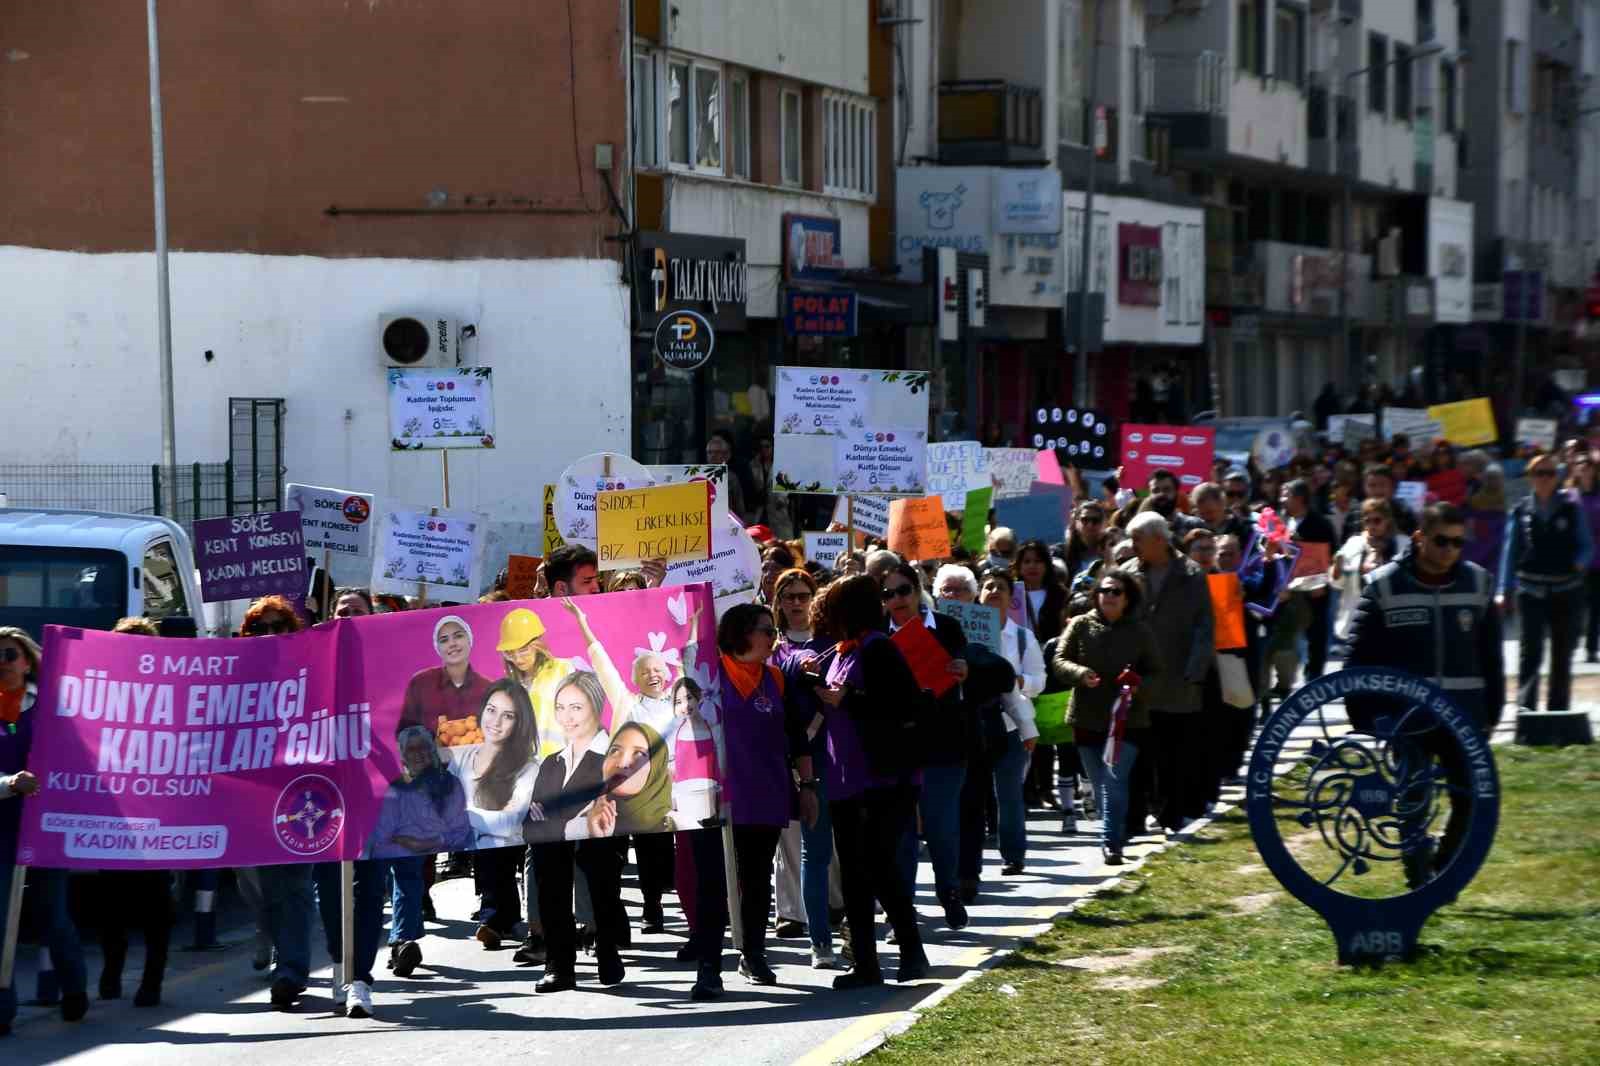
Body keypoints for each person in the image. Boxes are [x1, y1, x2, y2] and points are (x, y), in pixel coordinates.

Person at [1346, 502, 1503, 885]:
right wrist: (1368, 718)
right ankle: (1417, 880)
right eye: (1441, 541)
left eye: (1457, 543)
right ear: (1419, 538)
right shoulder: (1383, 585)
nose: (1450, 550)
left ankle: (1444, 863)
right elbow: (1357, 660)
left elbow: (1492, 659)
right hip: (1407, 716)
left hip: (1463, 716)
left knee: (1471, 800)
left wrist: (1491, 714)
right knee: (1413, 799)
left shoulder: (1478, 584)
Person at [685, 604, 814, 1000]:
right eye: (764, 629)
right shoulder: (707, 674)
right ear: (740, 633)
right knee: (712, 884)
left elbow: (798, 738)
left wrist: (808, 786)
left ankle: (754, 953)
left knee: (756, 882)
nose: (772, 636)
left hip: (765, 796)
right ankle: (708, 966)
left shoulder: (776, 678)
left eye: (773, 629)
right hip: (712, 800)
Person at [812, 576, 930, 989]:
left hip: (883, 779)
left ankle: (912, 952)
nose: (822, 613)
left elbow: (904, 705)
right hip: (846, 777)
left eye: (830, 606)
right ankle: (866, 963)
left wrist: (851, 699)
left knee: (880, 867)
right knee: (854, 876)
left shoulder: (879, 648)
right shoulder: (844, 651)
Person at [568, 595, 697, 936]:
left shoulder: (678, 701)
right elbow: (601, 663)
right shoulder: (626, 702)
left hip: (664, 788)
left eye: (658, 670)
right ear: (635, 678)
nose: (653, 675)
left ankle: (653, 905)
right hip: (622, 788)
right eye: (645, 671)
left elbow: (690, 660)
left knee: (656, 851)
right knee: (612, 855)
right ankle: (614, 916)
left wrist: (695, 621)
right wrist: (582, 623)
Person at [1, 627, 89, 1032]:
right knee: (2, 920)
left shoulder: (53, 707)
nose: (3, 663)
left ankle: (74, 989)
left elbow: (77, 756)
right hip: (2, 829)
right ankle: (3, 1008)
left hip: (44, 827)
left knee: (53, 914)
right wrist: (8, 784)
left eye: (10, 655)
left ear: (27, 660)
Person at [236, 596, 320, 1010]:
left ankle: (291, 971)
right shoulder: (234, 676)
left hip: (302, 795)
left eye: (277, 626)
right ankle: (275, 944)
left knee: (297, 887)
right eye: (258, 628)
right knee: (265, 892)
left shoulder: (313, 672)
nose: (268, 635)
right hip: (253, 796)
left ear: (292, 630)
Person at [879, 561, 973, 925]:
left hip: (944, 744)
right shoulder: (877, 636)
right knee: (901, 833)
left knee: (940, 827)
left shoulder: (947, 627)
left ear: (918, 590)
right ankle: (901, 913)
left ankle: (948, 890)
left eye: (904, 590)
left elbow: (967, 670)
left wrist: (964, 671)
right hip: (898, 747)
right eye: (888, 593)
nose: (897, 599)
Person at [522, 670, 627, 992]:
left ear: (596, 707)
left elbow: (604, 813)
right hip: (550, 845)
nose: (567, 717)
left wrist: (562, 820)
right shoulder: (551, 763)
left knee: (601, 888)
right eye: (561, 707)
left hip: (600, 845)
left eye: (576, 707)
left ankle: (607, 950)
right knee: (551, 887)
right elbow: (535, 816)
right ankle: (559, 965)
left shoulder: (612, 758)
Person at [1051, 571, 1160, 864]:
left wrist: (1138, 686)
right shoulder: (1081, 625)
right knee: (1101, 786)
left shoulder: (1140, 630)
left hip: (1129, 722)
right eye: (1105, 590)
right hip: (1087, 721)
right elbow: (1059, 660)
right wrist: (1080, 674)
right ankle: (1113, 830)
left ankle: (1112, 843)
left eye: (1117, 592)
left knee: (1114, 780)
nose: (1110, 596)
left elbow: (1156, 672)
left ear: (1127, 599)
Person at [96, 618, 176, 1008]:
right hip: (114, 814)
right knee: (111, 904)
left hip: (159, 816)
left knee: (156, 907)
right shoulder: (102, 688)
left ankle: (152, 981)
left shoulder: (175, 692)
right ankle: (111, 970)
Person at [1121, 512, 1214, 835]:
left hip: (1178, 679)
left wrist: (1196, 668)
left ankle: (1171, 814)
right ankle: (1134, 818)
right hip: (1139, 681)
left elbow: (1205, 626)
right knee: (1137, 754)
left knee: (1173, 754)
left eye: (1138, 540)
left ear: (1159, 539)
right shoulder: (1128, 573)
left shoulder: (1191, 573)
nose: (1132, 546)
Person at [767, 569, 842, 967]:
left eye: (803, 595)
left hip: (838, 757)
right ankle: (816, 937)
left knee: (837, 850)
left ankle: (845, 922)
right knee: (802, 848)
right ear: (778, 602)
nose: (796, 603)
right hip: (792, 759)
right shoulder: (772, 648)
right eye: (789, 596)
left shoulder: (833, 644)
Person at [366, 725, 470, 981]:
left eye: (424, 747)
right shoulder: (392, 784)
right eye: (412, 749)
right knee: (389, 882)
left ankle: (403, 940)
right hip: (384, 840)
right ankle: (402, 939)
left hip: (416, 845)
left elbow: (461, 829)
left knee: (408, 878)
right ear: (402, 755)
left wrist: (430, 840)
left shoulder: (448, 783)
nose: (420, 753)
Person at [446, 679, 539, 948]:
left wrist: (466, 817)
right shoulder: (461, 756)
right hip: (483, 841)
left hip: (516, 836)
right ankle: (497, 920)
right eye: (491, 710)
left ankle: (501, 919)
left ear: (519, 723)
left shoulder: (527, 767)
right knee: (490, 858)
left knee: (501, 854)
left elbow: (510, 822)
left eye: (508, 715)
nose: (496, 721)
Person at [1499, 452, 1593, 711]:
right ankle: (1525, 709)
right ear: (1530, 477)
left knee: (1562, 654)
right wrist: (1502, 590)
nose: (1544, 478)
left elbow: (1587, 546)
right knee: (1530, 653)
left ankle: (1558, 709)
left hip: (1566, 589)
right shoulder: (1520, 511)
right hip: (1530, 589)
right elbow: (1510, 551)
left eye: (1550, 473)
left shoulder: (1572, 507)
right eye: (1539, 473)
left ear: (1557, 476)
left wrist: (1578, 564)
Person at [979, 570, 1043, 874]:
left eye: (1000, 587)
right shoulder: (965, 635)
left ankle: (1013, 854)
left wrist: (1018, 679)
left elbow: (1039, 680)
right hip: (974, 724)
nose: (993, 591)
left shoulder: (1021, 636)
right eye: (988, 586)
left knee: (1008, 792)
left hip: (1012, 725)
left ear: (1010, 597)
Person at [400, 614, 494, 737]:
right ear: (437, 647)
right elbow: (404, 733)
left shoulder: (489, 688)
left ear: (470, 639)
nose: (452, 644)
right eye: (444, 640)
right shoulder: (420, 683)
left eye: (458, 636)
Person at [1281, 478, 1336, 680]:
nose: (1282, 500)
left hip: (1314, 589)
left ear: (1299, 498)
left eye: (1285, 495)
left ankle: (1313, 676)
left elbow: (1328, 555)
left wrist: (1319, 581)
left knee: (1315, 634)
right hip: (1288, 588)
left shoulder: (1320, 524)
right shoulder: (1283, 522)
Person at [1331, 499, 1403, 644]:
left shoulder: (1401, 544)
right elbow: (1338, 583)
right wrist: (1337, 567)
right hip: (1357, 618)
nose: (1371, 525)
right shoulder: (1354, 543)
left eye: (1377, 520)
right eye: (1367, 521)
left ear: (1387, 521)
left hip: (1391, 618)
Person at [1565, 451, 1600, 663]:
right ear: (1575, 469)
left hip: (1598, 559)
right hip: (1575, 559)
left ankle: (1591, 647)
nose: (1585, 468)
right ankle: (1570, 643)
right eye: (1580, 464)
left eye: (1588, 465)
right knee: (1574, 604)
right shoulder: (1568, 496)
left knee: (1596, 605)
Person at [705, 430, 750, 522]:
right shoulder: (699, 475)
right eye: (709, 452)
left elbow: (740, 508)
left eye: (717, 452)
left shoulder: (731, 477)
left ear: (726, 455)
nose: (713, 455)